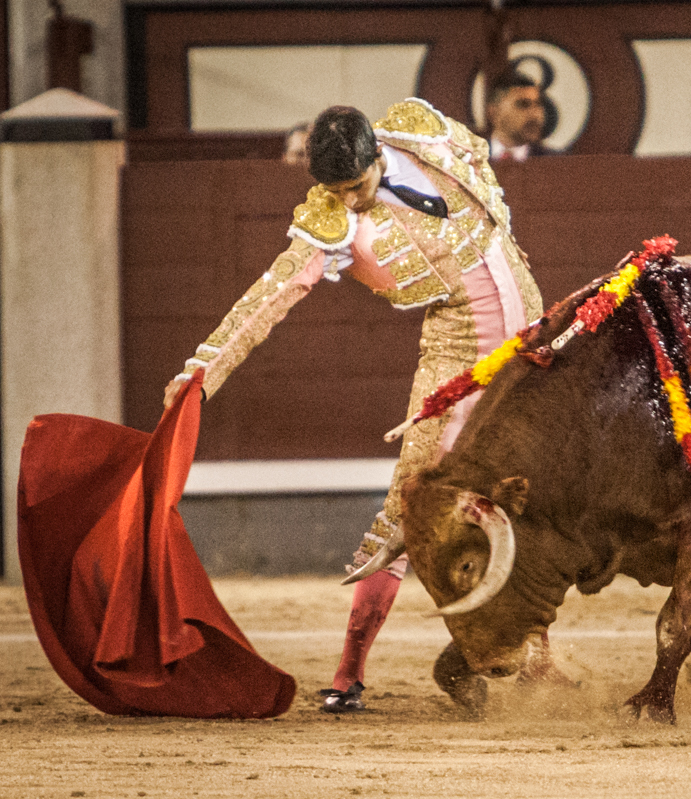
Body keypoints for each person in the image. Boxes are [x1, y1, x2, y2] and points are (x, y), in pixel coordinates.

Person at [163, 99, 545, 713]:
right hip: (456, 358)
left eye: (357, 186)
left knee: (535, 496)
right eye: (336, 190)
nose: (351, 201)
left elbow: (479, 162)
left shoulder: (422, 129)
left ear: (376, 155)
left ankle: (539, 662)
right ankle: (348, 675)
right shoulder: (332, 223)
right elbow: (271, 295)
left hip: (532, 341)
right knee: (404, 512)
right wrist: (203, 370)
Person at [485, 69, 552, 162]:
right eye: (523, 104)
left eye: (538, 104)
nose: (535, 114)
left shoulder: (555, 163)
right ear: (493, 112)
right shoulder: (467, 161)